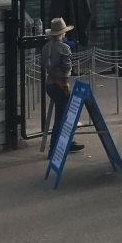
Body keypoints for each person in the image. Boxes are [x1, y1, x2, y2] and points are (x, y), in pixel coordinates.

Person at [41, 18, 84, 158]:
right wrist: (67, 71)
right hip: (61, 85)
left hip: (50, 83)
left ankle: (66, 143)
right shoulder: (64, 47)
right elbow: (67, 67)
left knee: (63, 115)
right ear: (62, 33)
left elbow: (44, 64)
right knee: (61, 118)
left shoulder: (46, 47)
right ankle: (54, 149)